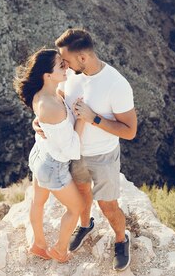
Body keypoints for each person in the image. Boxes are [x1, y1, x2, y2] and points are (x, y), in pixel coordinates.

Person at [35, 28, 138, 271]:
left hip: (103, 156)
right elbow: (57, 97)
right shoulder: (71, 74)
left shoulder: (116, 84)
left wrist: (95, 119)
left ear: (83, 58)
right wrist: (40, 121)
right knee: (81, 196)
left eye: (67, 60)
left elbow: (130, 131)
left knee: (108, 206)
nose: (64, 65)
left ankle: (122, 240)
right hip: (74, 153)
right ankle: (85, 225)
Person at [13, 48, 86, 263]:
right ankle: (60, 250)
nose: (66, 67)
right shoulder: (51, 106)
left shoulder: (45, 92)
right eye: (61, 66)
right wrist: (82, 117)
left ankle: (38, 245)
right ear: (47, 75)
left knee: (38, 202)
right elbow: (71, 150)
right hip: (53, 166)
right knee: (76, 208)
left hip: (39, 156)